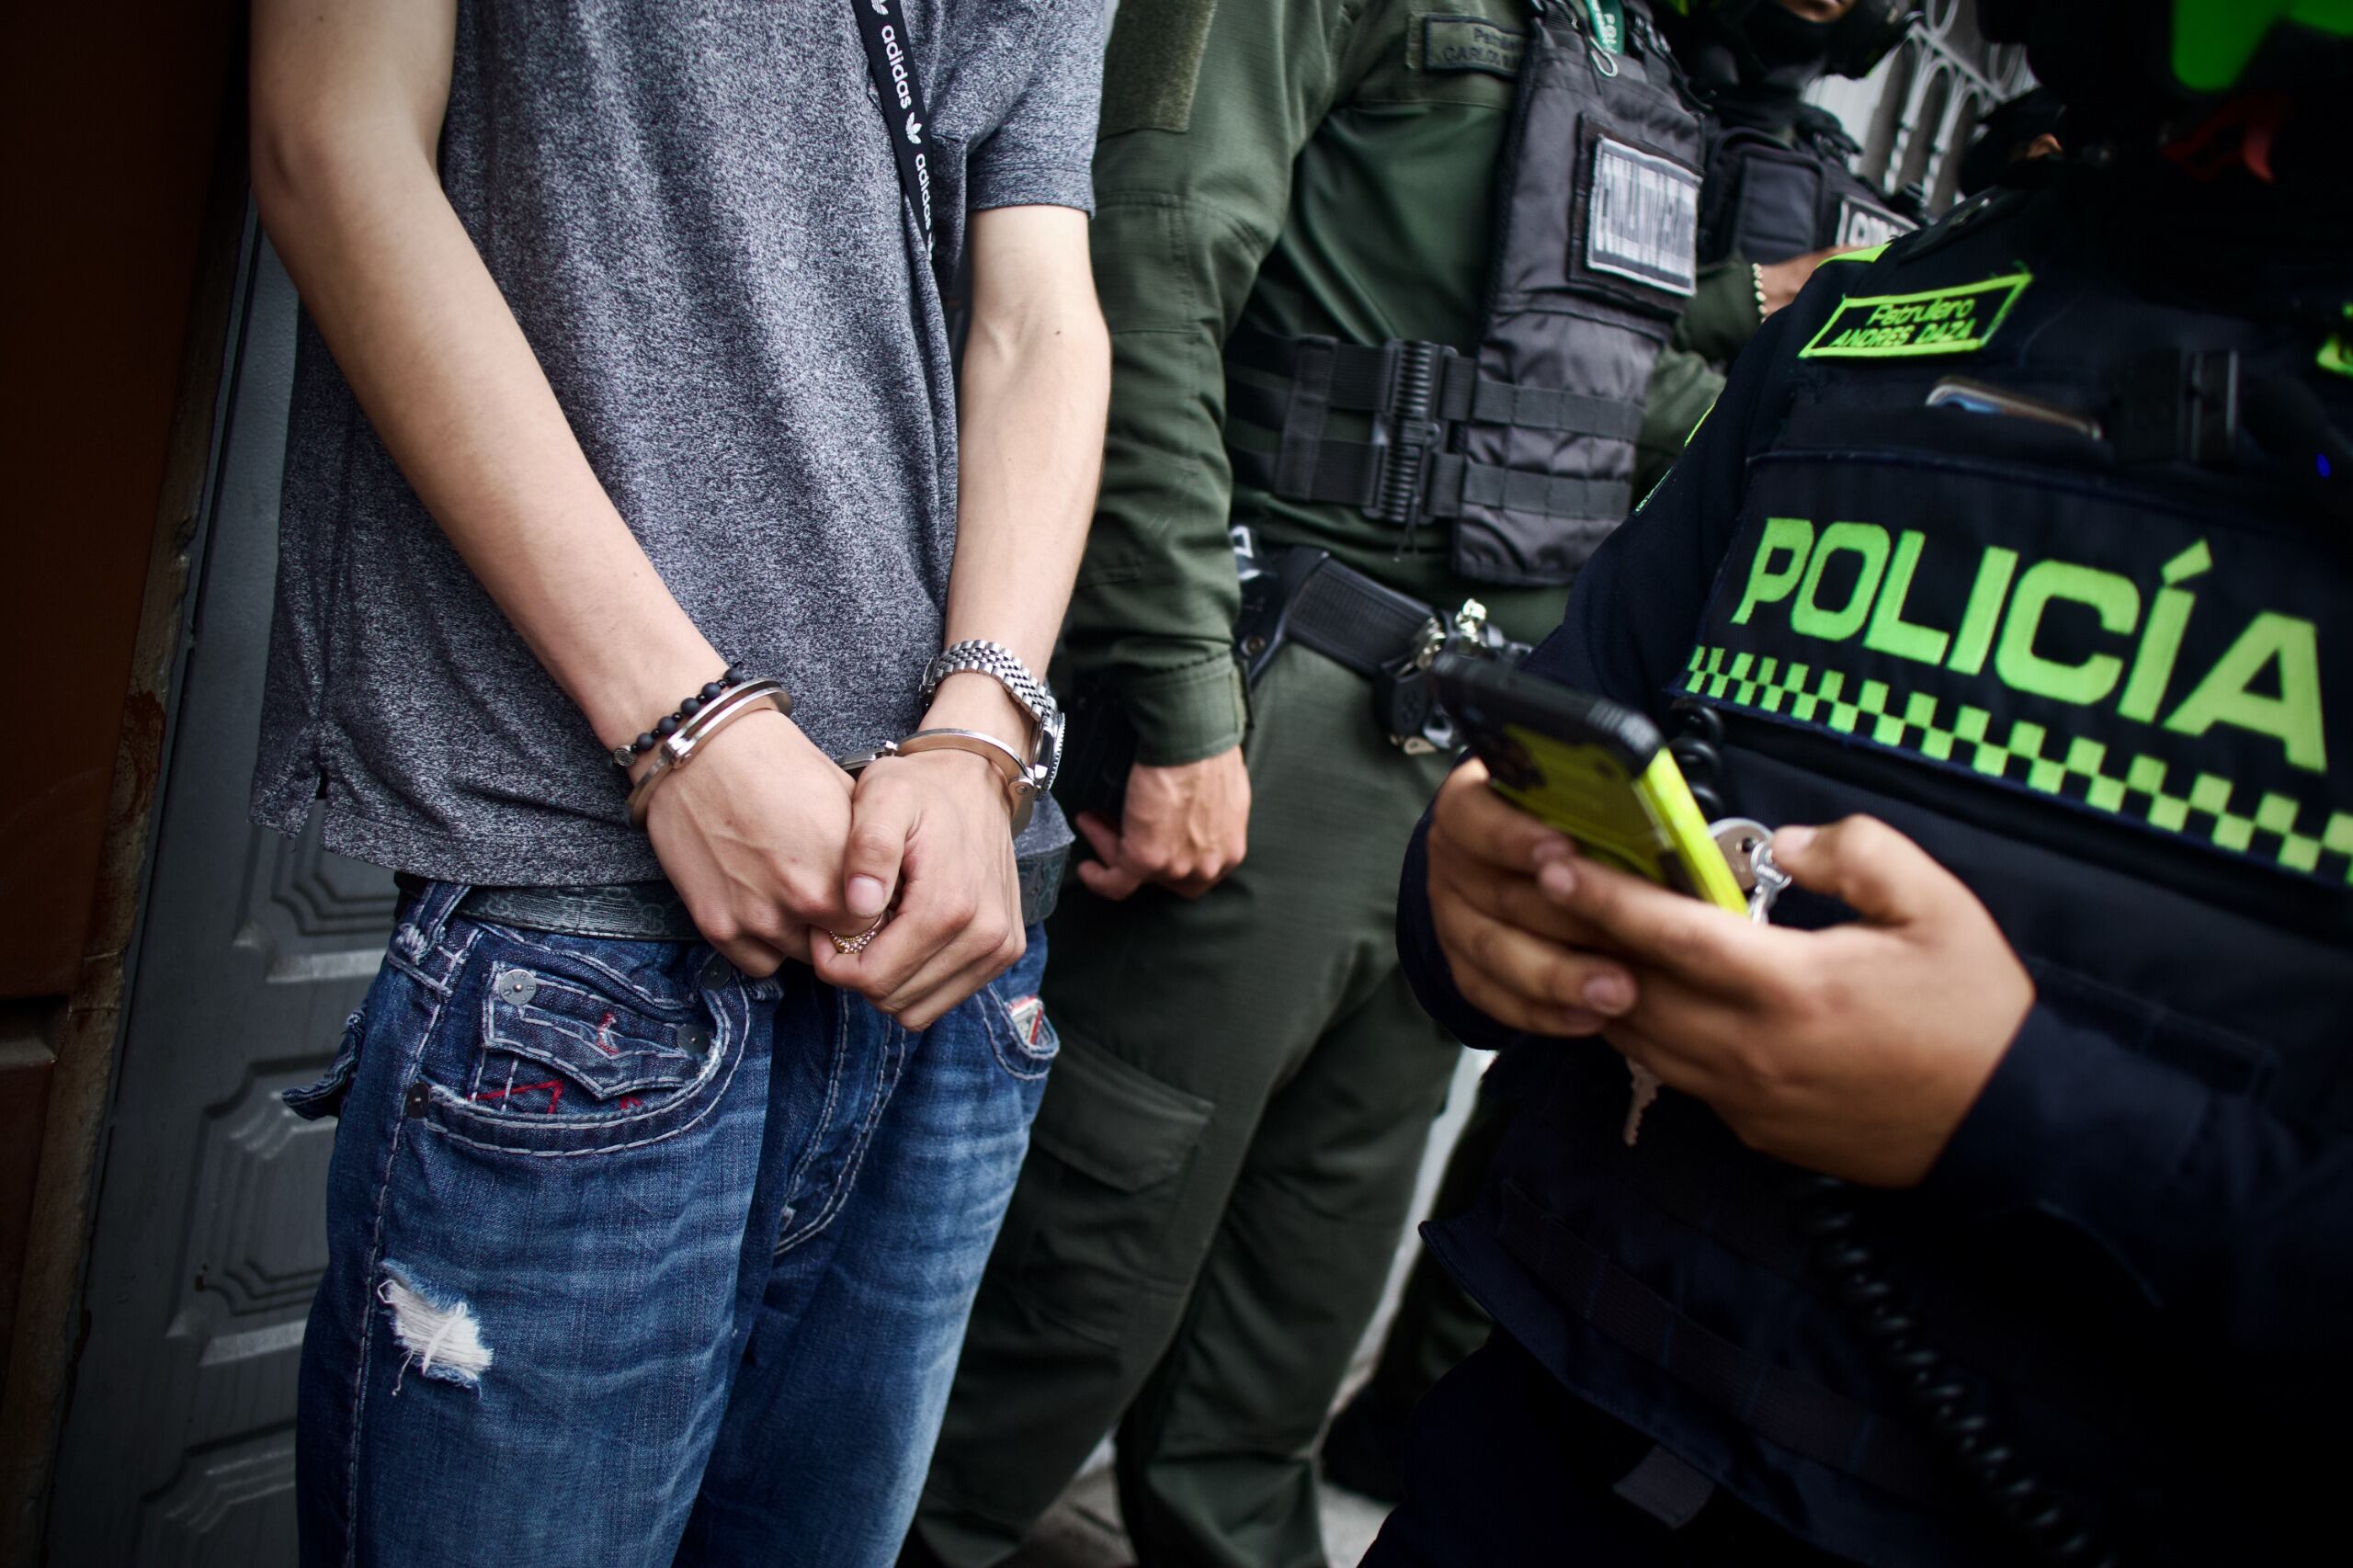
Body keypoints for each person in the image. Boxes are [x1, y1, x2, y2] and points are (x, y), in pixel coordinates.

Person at [1376, 0, 2353, 1562]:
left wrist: (2009, 1109)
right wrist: (1467, 893)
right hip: (1547, 1440)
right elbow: (1547, 761)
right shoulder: (1878, 322)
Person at [247, 2, 1108, 1563]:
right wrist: (681, 725)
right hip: (582, 920)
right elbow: (332, 137)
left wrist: (985, 735)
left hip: (945, 950)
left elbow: (1040, 310)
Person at [906, 5, 1713, 1565]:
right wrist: (1189, 699)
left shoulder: (1628, 37)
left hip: (1480, 754)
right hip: (1280, 718)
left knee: (1276, 1351)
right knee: (1057, 1315)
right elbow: (1144, 266)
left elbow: (1601, 381)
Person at [1324, 0, 1919, 1505]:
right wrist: (1766, 303)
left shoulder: (1825, 173)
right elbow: (1585, 358)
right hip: (1433, 655)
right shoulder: (1612, 78)